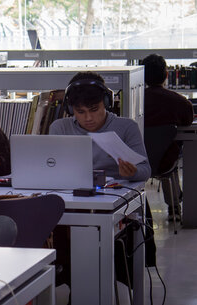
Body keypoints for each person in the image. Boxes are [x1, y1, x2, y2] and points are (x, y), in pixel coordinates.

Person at [49, 71, 151, 181]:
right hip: (71, 191)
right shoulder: (60, 128)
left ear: (106, 103)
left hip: (116, 193)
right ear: (70, 109)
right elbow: (50, 167)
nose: (88, 118)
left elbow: (145, 170)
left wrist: (133, 172)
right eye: (80, 112)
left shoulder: (127, 127)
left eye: (94, 110)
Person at [142, 53, 194, 219]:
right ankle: (174, 206)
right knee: (170, 156)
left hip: (137, 160)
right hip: (166, 161)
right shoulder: (180, 102)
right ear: (166, 75)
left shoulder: (134, 101)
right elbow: (187, 122)